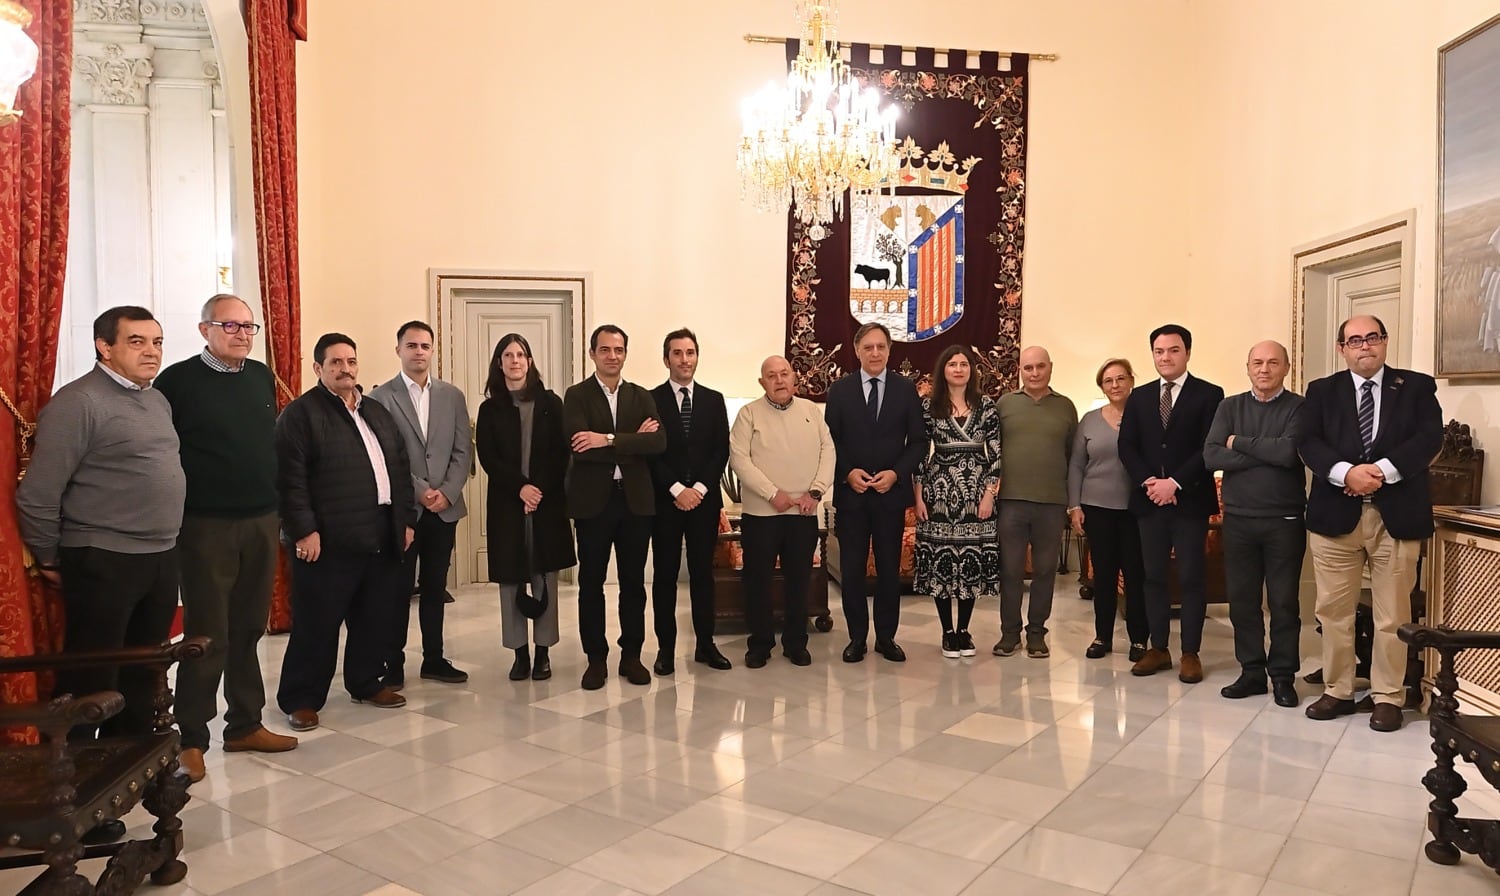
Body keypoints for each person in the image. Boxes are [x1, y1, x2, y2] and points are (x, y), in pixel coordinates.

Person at [17, 306, 185, 843]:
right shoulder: (79, 403)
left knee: (141, 677)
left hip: (158, 555)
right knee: (93, 682)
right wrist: (49, 558)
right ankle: (69, 795)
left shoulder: (155, 400)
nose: (151, 351)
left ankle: (122, 785)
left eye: (156, 341)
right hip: (103, 557)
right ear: (103, 347)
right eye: (136, 341)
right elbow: (38, 495)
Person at [153, 294, 296, 785]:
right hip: (205, 524)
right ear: (204, 329)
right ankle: (191, 738)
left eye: (248, 327)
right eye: (230, 325)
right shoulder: (177, 381)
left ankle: (245, 724)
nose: (241, 334)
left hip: (259, 519)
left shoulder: (260, 377)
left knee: (249, 627)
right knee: (206, 635)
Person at [1296, 315, 1441, 732]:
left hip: (1395, 514)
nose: (1365, 346)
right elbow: (1308, 442)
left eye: (1372, 338)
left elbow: (1429, 438)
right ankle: (1338, 689)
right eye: (1355, 340)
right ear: (1342, 348)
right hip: (1335, 517)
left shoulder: (1415, 387)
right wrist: (1345, 472)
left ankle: (1388, 696)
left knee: (1391, 612)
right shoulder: (1322, 391)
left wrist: (1379, 470)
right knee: (1333, 610)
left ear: (1385, 342)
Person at [275, 333, 415, 732]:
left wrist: (404, 522)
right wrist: (303, 531)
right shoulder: (300, 415)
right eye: (335, 363)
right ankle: (301, 698)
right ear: (318, 369)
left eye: (351, 361)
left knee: (374, 617)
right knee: (317, 624)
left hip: (379, 533)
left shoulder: (375, 411)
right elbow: (290, 481)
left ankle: (366, 682)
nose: (346, 369)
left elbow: (399, 469)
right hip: (327, 540)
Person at [1118, 323, 1225, 683]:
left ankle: (1190, 652)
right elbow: (1127, 446)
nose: (1166, 357)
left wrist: (1175, 483)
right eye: (1159, 351)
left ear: (1187, 353)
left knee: (1192, 577)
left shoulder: (1210, 394)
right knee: (1153, 577)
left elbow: (1208, 447)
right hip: (1149, 502)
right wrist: (1150, 482)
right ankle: (1159, 647)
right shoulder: (1140, 396)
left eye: (1173, 350)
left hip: (1189, 501)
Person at [563, 324, 667, 690]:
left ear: (625, 353)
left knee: (633, 585)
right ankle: (595, 658)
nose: (612, 356)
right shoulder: (576, 396)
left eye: (618, 349)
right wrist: (631, 440)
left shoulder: (640, 396)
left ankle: (631, 655)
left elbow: (656, 444)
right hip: (593, 504)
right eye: (604, 349)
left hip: (635, 502)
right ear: (592, 353)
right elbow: (580, 447)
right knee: (591, 584)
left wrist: (605, 439)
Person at [1203, 340, 1306, 708]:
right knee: (1242, 601)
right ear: (1247, 367)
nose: (1264, 369)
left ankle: (1282, 676)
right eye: (1257, 363)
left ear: (1286, 367)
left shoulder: (1299, 407)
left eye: (1273, 362)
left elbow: (1290, 453)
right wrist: (1266, 453)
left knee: (1282, 602)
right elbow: (1211, 454)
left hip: (1285, 520)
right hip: (1239, 519)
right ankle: (1251, 672)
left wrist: (1240, 444)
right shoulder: (1229, 406)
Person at [370, 320, 472, 688]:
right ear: (398, 350)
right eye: (411, 345)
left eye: (425, 346)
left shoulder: (452, 396)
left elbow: (463, 450)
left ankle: (434, 659)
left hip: (444, 510)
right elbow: (385, 455)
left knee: (434, 587)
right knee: (397, 590)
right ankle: (392, 662)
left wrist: (446, 491)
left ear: (433, 351)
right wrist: (420, 491)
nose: (418, 352)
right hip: (404, 511)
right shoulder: (381, 397)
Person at [475, 333, 575, 681]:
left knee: (544, 574)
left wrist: (538, 490)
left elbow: (561, 454)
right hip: (508, 502)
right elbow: (488, 457)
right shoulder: (489, 408)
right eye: (508, 354)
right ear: (499, 363)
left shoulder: (551, 402)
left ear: (529, 362)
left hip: (546, 503)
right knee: (511, 577)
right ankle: (519, 653)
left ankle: (543, 653)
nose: (515, 360)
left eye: (521, 354)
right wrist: (521, 488)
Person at [824, 323, 925, 664]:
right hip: (851, 496)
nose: (875, 353)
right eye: (868, 347)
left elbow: (919, 442)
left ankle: (886, 637)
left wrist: (896, 473)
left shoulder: (905, 389)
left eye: (881, 346)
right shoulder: (839, 391)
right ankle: (856, 638)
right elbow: (830, 441)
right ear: (857, 351)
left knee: (887, 570)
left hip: (890, 495)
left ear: (889, 350)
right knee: (851, 571)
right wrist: (847, 472)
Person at [729, 356, 835, 667]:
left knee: (799, 581)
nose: (779, 380)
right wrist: (771, 494)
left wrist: (815, 492)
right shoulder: (748, 414)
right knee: (758, 581)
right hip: (761, 515)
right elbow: (739, 459)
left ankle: (795, 643)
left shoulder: (811, 412)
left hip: (802, 513)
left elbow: (827, 451)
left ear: (794, 378)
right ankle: (760, 644)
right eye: (771, 376)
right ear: (762, 383)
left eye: (784, 374)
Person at [649, 328, 733, 675]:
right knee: (665, 577)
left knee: (702, 576)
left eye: (690, 352)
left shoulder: (714, 400)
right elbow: (650, 452)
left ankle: (705, 645)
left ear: (697, 356)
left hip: (703, 502)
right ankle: (665, 650)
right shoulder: (649, 399)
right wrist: (675, 489)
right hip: (664, 504)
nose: (685, 359)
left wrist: (697, 488)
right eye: (677, 353)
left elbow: (720, 450)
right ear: (666, 358)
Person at [913, 345, 1001, 658]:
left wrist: (990, 493)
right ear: (943, 370)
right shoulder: (929, 406)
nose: (959, 369)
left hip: (977, 494)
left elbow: (997, 454)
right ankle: (946, 632)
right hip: (938, 494)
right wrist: (918, 496)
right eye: (952, 364)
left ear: (971, 370)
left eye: (964, 364)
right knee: (943, 563)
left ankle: (964, 630)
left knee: (971, 563)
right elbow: (921, 455)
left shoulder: (987, 405)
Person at [993, 346, 1077, 658]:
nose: (1034, 373)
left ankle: (1037, 633)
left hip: (1052, 503)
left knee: (1045, 570)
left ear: (1050, 368)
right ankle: (1009, 633)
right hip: (1012, 502)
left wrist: (1072, 501)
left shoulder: (1066, 407)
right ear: (1020, 371)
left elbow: (1072, 456)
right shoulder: (1005, 404)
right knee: (1011, 570)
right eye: (1028, 368)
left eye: (1040, 366)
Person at [1068, 358, 1149, 662]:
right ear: (1101, 386)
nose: (1115, 385)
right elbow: (1076, 464)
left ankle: (1139, 640)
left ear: (1131, 381)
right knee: (1103, 576)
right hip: (1097, 508)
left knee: (1135, 575)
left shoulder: (1145, 417)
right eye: (1108, 381)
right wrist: (1074, 505)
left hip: (1135, 509)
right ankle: (1102, 636)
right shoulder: (1089, 420)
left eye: (1120, 379)